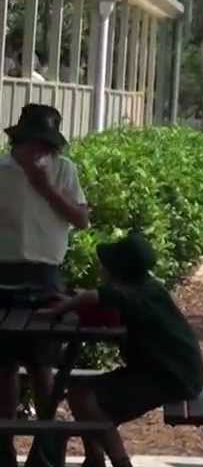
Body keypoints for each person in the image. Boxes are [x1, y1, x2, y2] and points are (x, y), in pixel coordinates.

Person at [46, 232, 203, 467]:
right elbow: (102, 300)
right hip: (171, 371)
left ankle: (118, 462)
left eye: (106, 266)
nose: (101, 269)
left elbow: (94, 296)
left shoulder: (131, 294)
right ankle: (94, 459)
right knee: (81, 394)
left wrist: (57, 309)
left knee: (85, 398)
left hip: (171, 377)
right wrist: (71, 298)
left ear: (118, 272)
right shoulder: (149, 289)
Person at [0, 104, 89, 467]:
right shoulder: (2, 172)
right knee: (3, 365)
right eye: (35, 144)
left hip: (45, 274)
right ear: (20, 141)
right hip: (3, 272)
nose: (41, 153)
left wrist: (45, 187)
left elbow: (81, 218)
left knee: (42, 364)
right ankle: (4, 446)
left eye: (47, 147)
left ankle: (46, 446)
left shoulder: (64, 170)